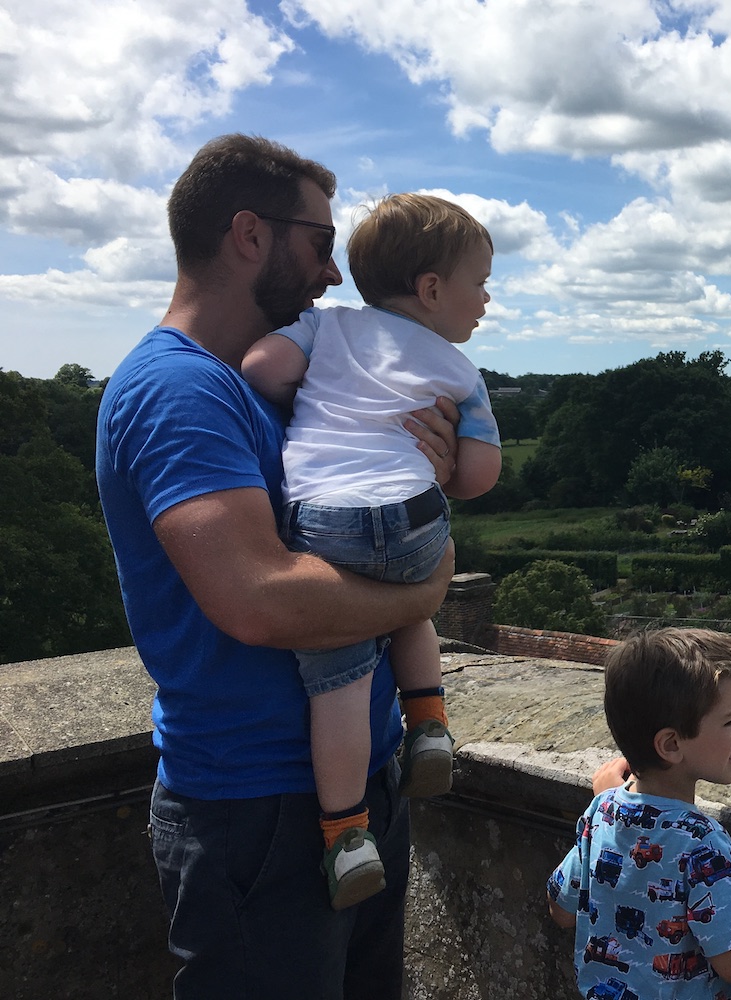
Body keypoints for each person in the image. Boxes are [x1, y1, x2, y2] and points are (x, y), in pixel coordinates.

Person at [95, 133, 458, 999]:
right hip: (258, 811)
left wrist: (421, 479)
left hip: (350, 791)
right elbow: (258, 599)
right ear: (250, 234)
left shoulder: (274, 386)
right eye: (320, 242)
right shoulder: (178, 391)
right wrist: (425, 585)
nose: (334, 275)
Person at [242, 193, 502, 909]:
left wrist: (308, 392)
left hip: (326, 521)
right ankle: (429, 727)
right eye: (480, 282)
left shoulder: (326, 326)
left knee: (339, 685)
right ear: (431, 289)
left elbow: (262, 369)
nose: (485, 298)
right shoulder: (459, 371)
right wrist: (447, 462)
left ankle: (346, 835)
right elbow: (477, 477)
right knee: (408, 605)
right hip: (415, 517)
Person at [547, 629, 731, 999]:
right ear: (671, 744)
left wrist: (609, 806)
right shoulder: (699, 841)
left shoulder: (601, 812)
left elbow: (561, 910)